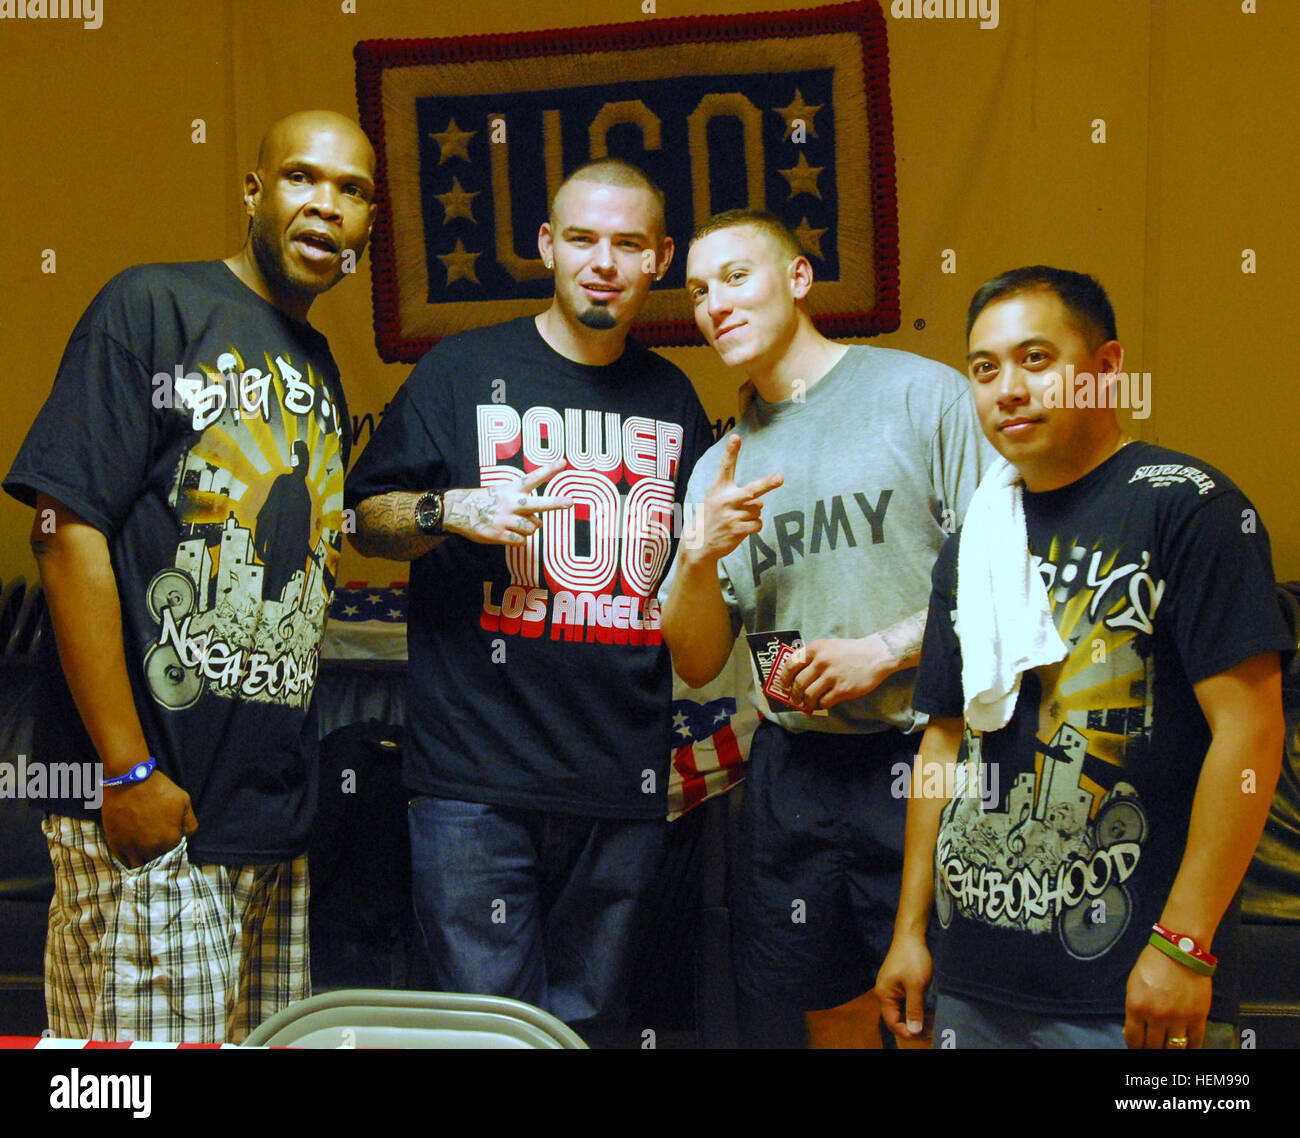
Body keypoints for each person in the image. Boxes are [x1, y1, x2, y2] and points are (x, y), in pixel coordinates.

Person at [4, 109, 377, 1043]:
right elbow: (64, 529)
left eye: (353, 190)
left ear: (368, 227)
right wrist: (127, 771)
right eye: (301, 178)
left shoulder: (318, 364)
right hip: (154, 816)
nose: (325, 206)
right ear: (254, 192)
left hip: (265, 823)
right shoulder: (152, 307)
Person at [344, 158, 713, 1047]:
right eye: (582, 238)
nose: (603, 262)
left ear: (659, 259)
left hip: (620, 779)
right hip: (475, 782)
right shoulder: (462, 370)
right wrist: (452, 510)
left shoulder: (674, 398)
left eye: (629, 244)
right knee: (488, 1035)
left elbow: (691, 595)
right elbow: (365, 517)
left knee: (591, 1031)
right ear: (548, 246)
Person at [874, 266, 1289, 1049]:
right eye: (985, 368)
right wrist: (910, 931)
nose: (1008, 389)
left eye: (1037, 359)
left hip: (1132, 977)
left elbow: (1251, 735)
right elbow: (943, 738)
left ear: (1105, 370)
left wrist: (1184, 945)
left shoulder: (1190, 506)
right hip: (971, 974)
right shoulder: (977, 535)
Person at [661, 209, 992, 1047]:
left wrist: (881, 652)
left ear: (799, 279)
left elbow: (1006, 583)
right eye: (699, 291)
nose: (715, 306)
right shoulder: (720, 461)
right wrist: (699, 557)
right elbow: (699, 663)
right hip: (795, 772)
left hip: (923, 755)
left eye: (738, 277)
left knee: (931, 1016)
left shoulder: (922, 398)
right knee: (829, 1010)